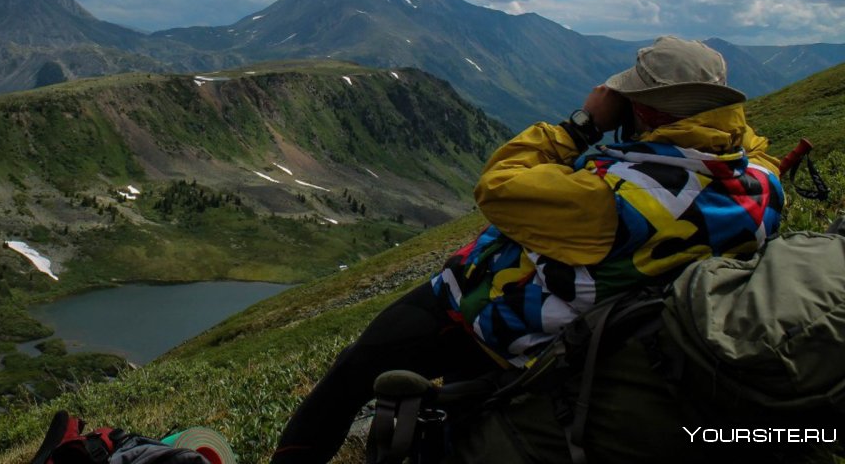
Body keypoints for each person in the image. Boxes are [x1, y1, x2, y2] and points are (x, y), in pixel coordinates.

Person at [270, 36, 785, 464]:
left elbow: (497, 186)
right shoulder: (760, 179)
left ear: (644, 107)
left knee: (352, 373)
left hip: (498, 317)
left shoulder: (606, 200)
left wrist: (583, 123)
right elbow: (743, 147)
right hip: (587, 335)